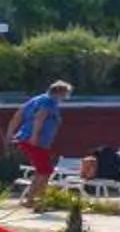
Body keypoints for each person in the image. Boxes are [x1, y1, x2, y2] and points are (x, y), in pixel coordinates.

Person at [6, 79, 73, 209]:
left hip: (27, 139)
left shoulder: (35, 99)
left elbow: (17, 116)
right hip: (37, 142)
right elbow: (40, 117)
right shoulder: (49, 101)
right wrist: (34, 137)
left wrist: (10, 134)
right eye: (66, 94)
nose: (65, 97)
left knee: (42, 170)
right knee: (45, 170)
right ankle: (37, 201)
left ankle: (35, 200)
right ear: (60, 92)